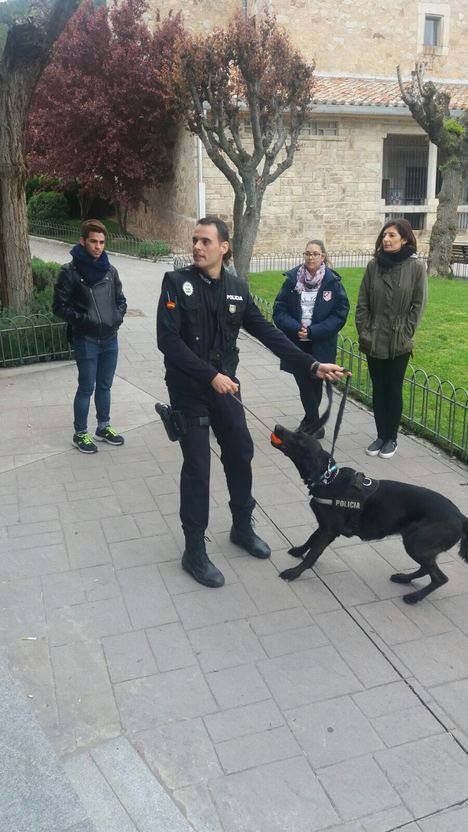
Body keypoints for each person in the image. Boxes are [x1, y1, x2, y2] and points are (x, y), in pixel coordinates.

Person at [157, 216, 346, 589]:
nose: (197, 247)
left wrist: (312, 364)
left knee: (241, 451)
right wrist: (209, 375)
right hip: (190, 390)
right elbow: (168, 341)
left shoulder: (237, 289)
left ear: (224, 247)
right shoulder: (176, 283)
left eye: (205, 241)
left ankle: (242, 527)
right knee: (197, 466)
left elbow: (269, 334)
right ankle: (194, 549)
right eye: (195, 240)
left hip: (226, 388)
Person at [53, 219, 127, 454]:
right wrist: (84, 321)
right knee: (87, 387)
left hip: (110, 338)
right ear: (83, 241)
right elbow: (59, 307)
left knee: (105, 385)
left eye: (102, 242)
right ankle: (80, 433)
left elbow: (121, 301)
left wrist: (117, 317)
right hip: (86, 340)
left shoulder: (110, 270)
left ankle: (103, 427)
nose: (98, 247)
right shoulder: (69, 272)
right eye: (93, 241)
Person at [355, 218, 427, 459]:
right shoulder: (374, 266)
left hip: (398, 342)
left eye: (392, 235)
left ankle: (391, 438)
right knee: (378, 389)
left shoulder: (416, 267)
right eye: (384, 235)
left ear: (404, 238)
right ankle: (380, 435)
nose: (386, 239)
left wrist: (406, 333)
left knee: (393, 389)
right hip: (374, 338)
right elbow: (362, 303)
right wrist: (365, 331)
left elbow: (418, 305)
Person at [273, 239, 349, 436]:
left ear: (323, 257)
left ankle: (312, 424)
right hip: (297, 343)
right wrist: (295, 327)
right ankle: (313, 423)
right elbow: (279, 310)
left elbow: (340, 314)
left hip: (321, 344)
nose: (310, 257)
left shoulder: (332, 282)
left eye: (315, 253)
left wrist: (315, 331)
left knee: (315, 383)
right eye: (307, 253)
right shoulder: (292, 280)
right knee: (303, 383)